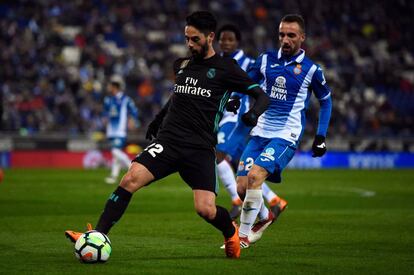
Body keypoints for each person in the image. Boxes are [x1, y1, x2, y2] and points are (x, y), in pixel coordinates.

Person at [65, 11, 269, 259]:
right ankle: (97, 235)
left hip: (199, 148)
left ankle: (230, 232)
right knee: (130, 178)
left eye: (195, 39)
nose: (189, 44)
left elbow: (261, 96)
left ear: (210, 37)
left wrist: (253, 114)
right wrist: (158, 119)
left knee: (205, 209)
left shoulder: (227, 68)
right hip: (169, 141)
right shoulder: (183, 65)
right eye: (187, 38)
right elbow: (178, 98)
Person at [236, 14, 333, 248]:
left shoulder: (311, 70)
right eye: (282, 35)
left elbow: (326, 101)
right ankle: (265, 216)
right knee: (241, 187)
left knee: (255, 176)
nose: (285, 40)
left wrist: (320, 136)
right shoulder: (266, 60)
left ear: (302, 37)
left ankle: (241, 238)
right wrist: (235, 98)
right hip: (260, 132)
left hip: (285, 135)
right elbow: (245, 83)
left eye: (291, 35)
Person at [216, 24, 288, 221]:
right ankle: (274, 201)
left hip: (238, 117)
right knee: (243, 169)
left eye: (230, 39)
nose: (226, 43)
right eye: (222, 39)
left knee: (217, 154)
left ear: (237, 42)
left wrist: (256, 112)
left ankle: (236, 201)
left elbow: (261, 87)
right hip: (222, 116)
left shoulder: (248, 63)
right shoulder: (217, 62)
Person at [103, 75, 139, 184]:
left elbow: (134, 110)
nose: (108, 87)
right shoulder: (108, 100)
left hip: (120, 130)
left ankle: (132, 168)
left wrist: (132, 120)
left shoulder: (125, 99)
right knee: (115, 155)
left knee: (115, 151)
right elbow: (105, 113)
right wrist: (105, 119)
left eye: (110, 85)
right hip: (111, 131)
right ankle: (114, 177)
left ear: (115, 87)